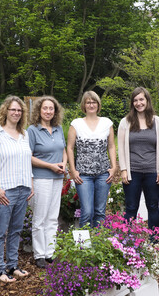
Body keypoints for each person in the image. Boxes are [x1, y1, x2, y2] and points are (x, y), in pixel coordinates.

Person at [0, 96, 33, 282]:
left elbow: (27, 161)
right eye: (13, 109)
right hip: (4, 190)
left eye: (19, 110)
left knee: (16, 230)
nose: (16, 113)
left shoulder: (25, 134)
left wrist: (31, 182)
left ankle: (12, 265)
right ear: (5, 111)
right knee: (0, 231)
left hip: (23, 188)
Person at [117, 87, 159, 230]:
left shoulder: (158, 122)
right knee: (131, 207)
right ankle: (128, 241)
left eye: (141, 99)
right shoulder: (125, 122)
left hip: (153, 171)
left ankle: (154, 239)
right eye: (135, 100)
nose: (139, 103)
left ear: (147, 100)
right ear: (132, 103)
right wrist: (124, 170)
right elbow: (120, 147)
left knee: (153, 206)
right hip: (133, 172)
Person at [27, 96, 67, 269]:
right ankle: (39, 254)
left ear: (55, 111)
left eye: (51, 108)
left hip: (57, 177)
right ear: (39, 110)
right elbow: (28, 156)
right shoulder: (32, 130)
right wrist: (50, 166)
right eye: (45, 108)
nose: (48, 111)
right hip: (41, 177)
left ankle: (50, 253)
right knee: (40, 217)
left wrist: (64, 164)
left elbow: (63, 150)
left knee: (52, 217)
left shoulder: (58, 129)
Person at [67, 91, 116, 228]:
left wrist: (114, 167)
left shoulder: (107, 123)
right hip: (83, 176)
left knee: (100, 212)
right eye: (88, 102)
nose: (91, 105)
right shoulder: (76, 124)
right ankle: (84, 246)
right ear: (84, 105)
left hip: (103, 174)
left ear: (98, 104)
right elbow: (70, 148)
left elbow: (111, 146)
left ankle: (97, 244)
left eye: (94, 102)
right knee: (87, 211)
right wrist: (73, 170)